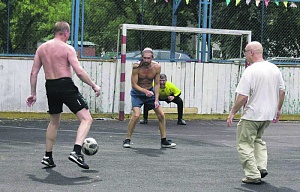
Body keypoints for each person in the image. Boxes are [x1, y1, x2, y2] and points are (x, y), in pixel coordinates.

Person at [26, 21, 101, 169]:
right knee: (86, 119)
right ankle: (77, 151)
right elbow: (79, 72)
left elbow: (33, 72)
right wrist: (93, 85)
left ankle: (48, 156)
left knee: (54, 121)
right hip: (65, 85)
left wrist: (33, 93)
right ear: (66, 32)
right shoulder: (67, 48)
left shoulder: (42, 48)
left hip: (51, 86)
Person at [227, 41, 285, 184]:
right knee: (258, 140)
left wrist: (233, 112)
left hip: (252, 114)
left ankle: (253, 174)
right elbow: (282, 91)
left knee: (244, 144)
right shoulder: (274, 68)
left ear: (252, 52)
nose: (245, 55)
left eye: (246, 52)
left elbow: (243, 96)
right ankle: (260, 166)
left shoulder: (251, 70)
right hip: (267, 115)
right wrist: (278, 109)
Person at [123, 48, 176, 148]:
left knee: (161, 114)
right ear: (141, 58)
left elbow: (156, 84)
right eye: (144, 58)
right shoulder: (136, 67)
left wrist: (156, 99)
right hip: (137, 93)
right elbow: (134, 85)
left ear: (152, 58)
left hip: (150, 93)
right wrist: (144, 91)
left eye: (148, 58)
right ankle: (127, 139)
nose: (146, 60)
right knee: (136, 115)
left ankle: (164, 140)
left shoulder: (157, 67)